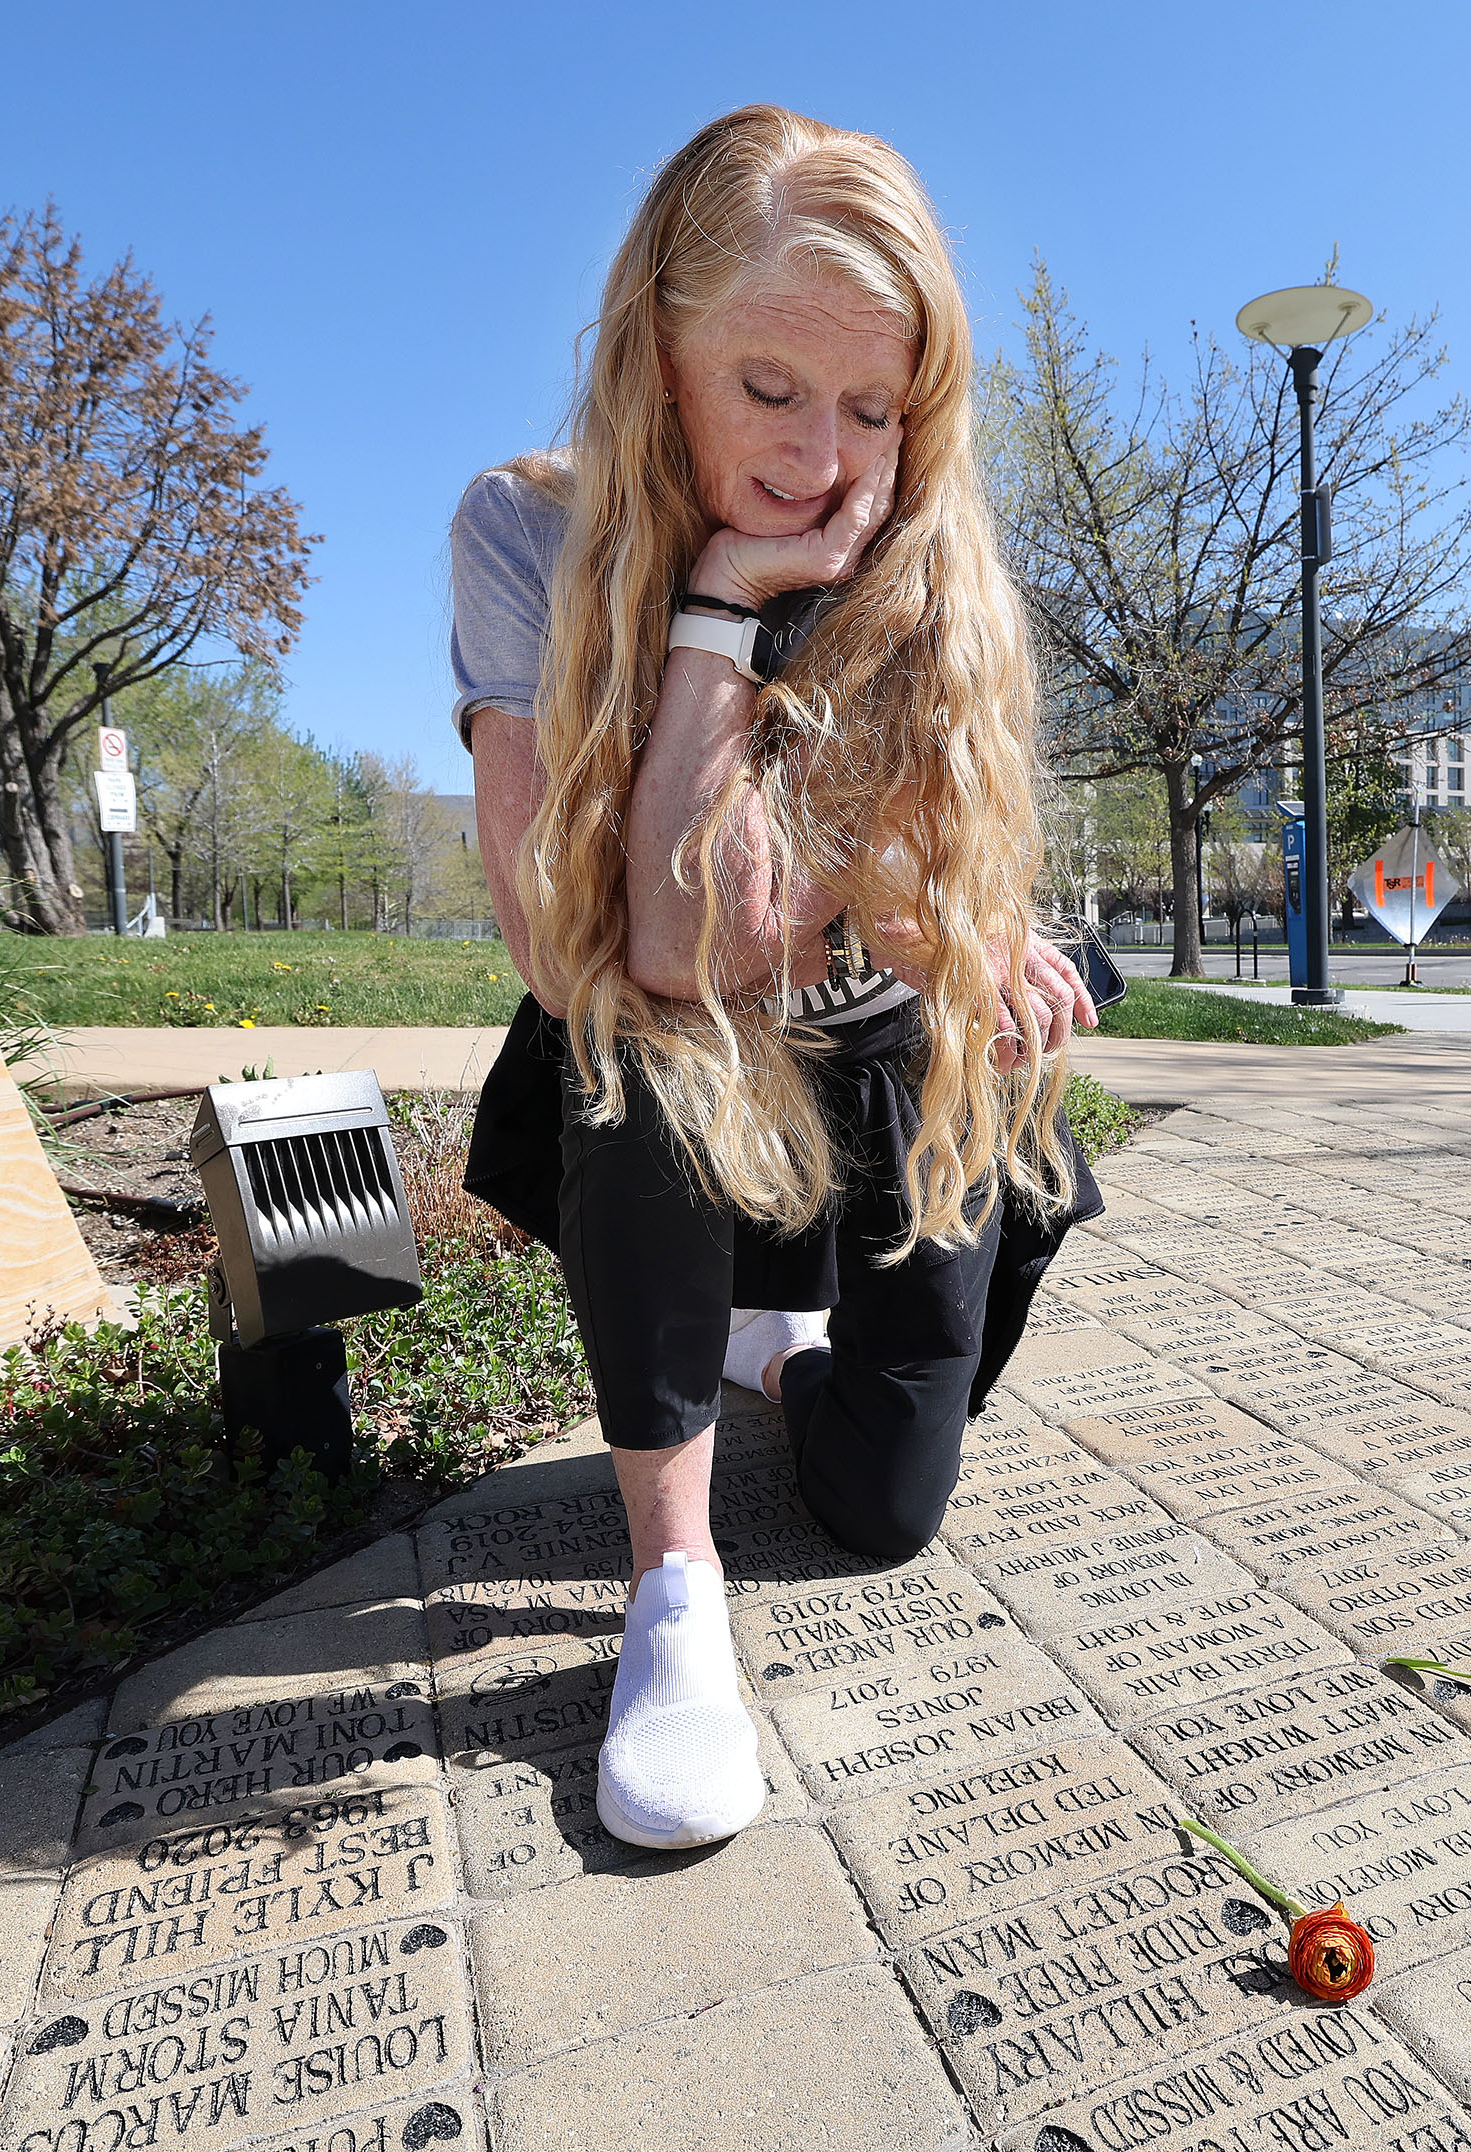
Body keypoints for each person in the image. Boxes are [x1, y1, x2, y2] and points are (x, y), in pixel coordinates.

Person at [447, 106, 1102, 1853]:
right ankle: (674, 1590)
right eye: (769, 391)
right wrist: (723, 612)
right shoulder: (528, 531)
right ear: (655, 352)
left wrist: (967, 923)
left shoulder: (927, 550)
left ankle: (783, 1352)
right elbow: (631, 946)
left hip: (877, 1069)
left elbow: (951, 885)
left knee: (889, 1503)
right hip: (668, 1062)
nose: (825, 462)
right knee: (636, 1039)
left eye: (874, 409)